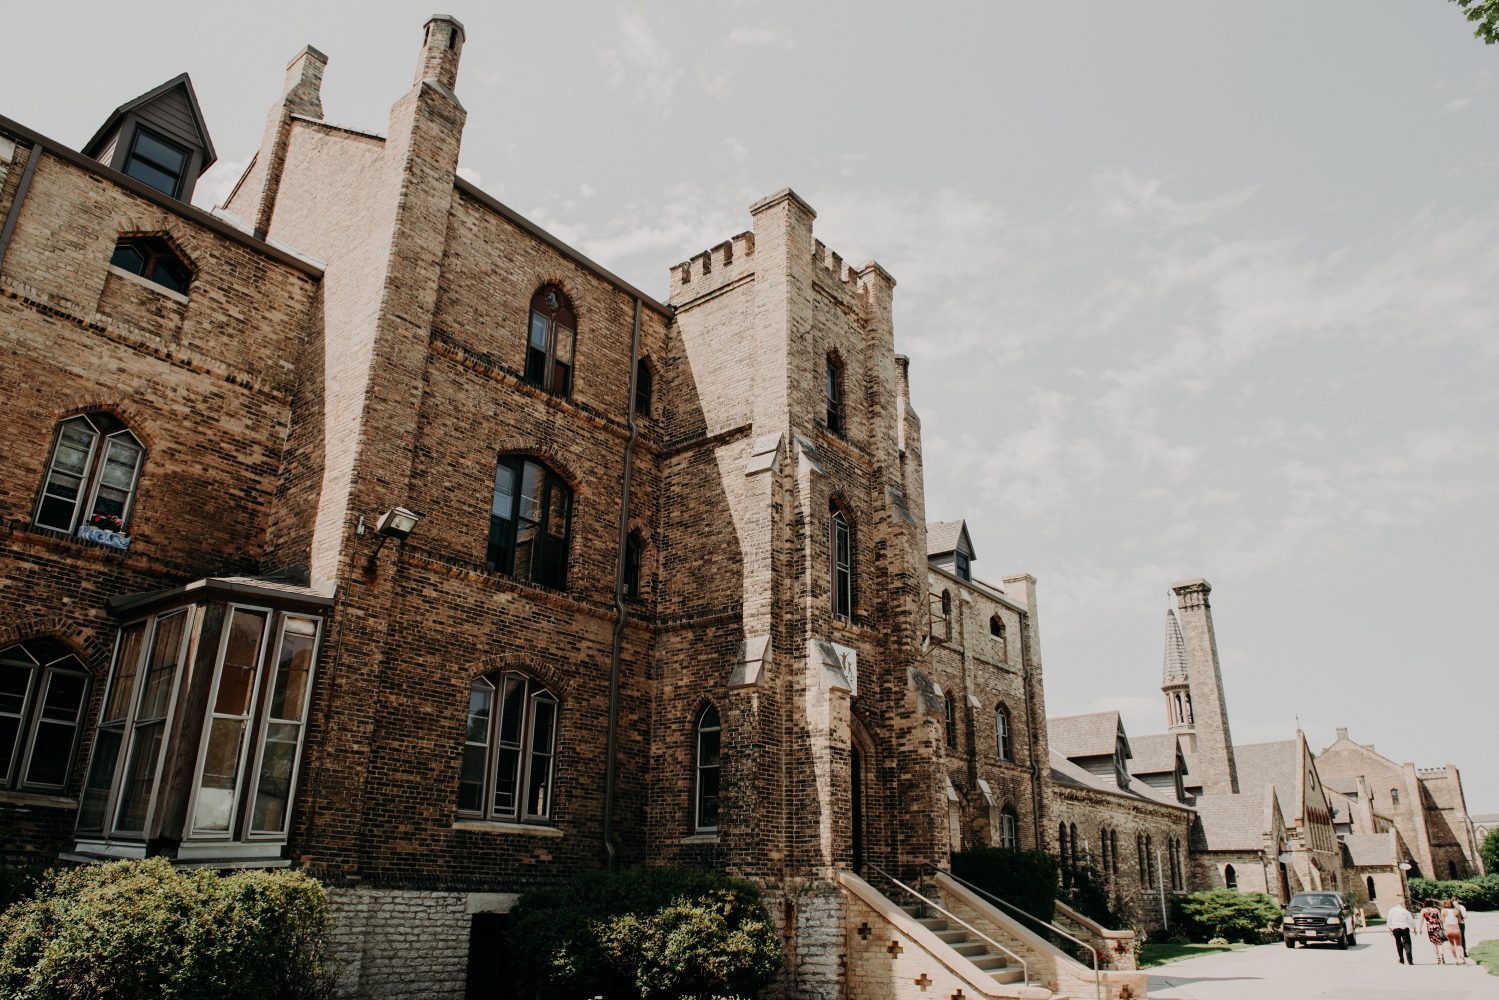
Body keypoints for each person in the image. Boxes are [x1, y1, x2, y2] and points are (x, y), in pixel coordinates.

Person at [1386, 898, 1414, 965]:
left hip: (1395, 928)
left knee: (1398, 943)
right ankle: (1409, 959)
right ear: (1402, 904)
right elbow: (1410, 919)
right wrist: (1414, 928)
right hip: (1404, 927)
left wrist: (1389, 928)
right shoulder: (1404, 910)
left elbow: (1389, 920)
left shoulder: (1391, 910)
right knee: (1407, 943)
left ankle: (1401, 959)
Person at [1420, 899, 1446, 964]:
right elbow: (1440, 920)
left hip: (1430, 928)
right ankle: (1442, 956)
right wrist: (1443, 927)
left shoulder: (1423, 911)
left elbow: (1421, 920)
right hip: (1437, 927)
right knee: (1439, 943)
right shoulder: (1436, 910)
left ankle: (1438, 959)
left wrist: (1420, 928)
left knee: (1434, 943)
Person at [1443, 898, 1466, 965]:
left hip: (1448, 928)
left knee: (1451, 944)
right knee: (1459, 944)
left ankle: (1456, 959)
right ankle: (1462, 958)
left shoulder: (1443, 911)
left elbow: (1443, 921)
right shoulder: (1456, 911)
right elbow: (1459, 921)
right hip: (1456, 928)